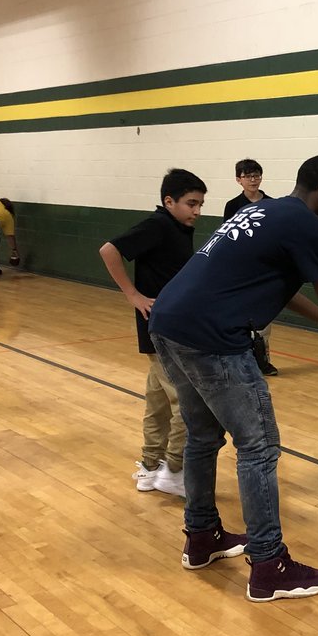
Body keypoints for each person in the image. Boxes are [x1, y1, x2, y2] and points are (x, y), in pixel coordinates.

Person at [148, 155, 318, 602]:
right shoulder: (311, 226)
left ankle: (200, 537)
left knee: (202, 437)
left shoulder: (263, 211)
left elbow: (288, 286)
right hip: (212, 336)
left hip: (167, 322)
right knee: (257, 447)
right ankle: (268, 564)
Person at [99, 169, 208, 499]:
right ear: (168, 201)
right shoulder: (158, 225)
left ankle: (149, 466)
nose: (197, 211)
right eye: (191, 203)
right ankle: (174, 470)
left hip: (172, 326)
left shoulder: (177, 226)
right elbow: (109, 250)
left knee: (158, 402)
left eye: (201, 204)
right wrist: (132, 295)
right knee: (187, 402)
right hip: (160, 329)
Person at [223, 158, 278, 376]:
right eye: (248, 176)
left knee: (264, 321)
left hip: (265, 268)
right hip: (241, 268)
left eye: (256, 175)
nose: (253, 179)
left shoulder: (272, 203)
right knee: (242, 318)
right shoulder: (233, 206)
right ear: (239, 180)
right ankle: (242, 361)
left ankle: (263, 361)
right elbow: (227, 237)